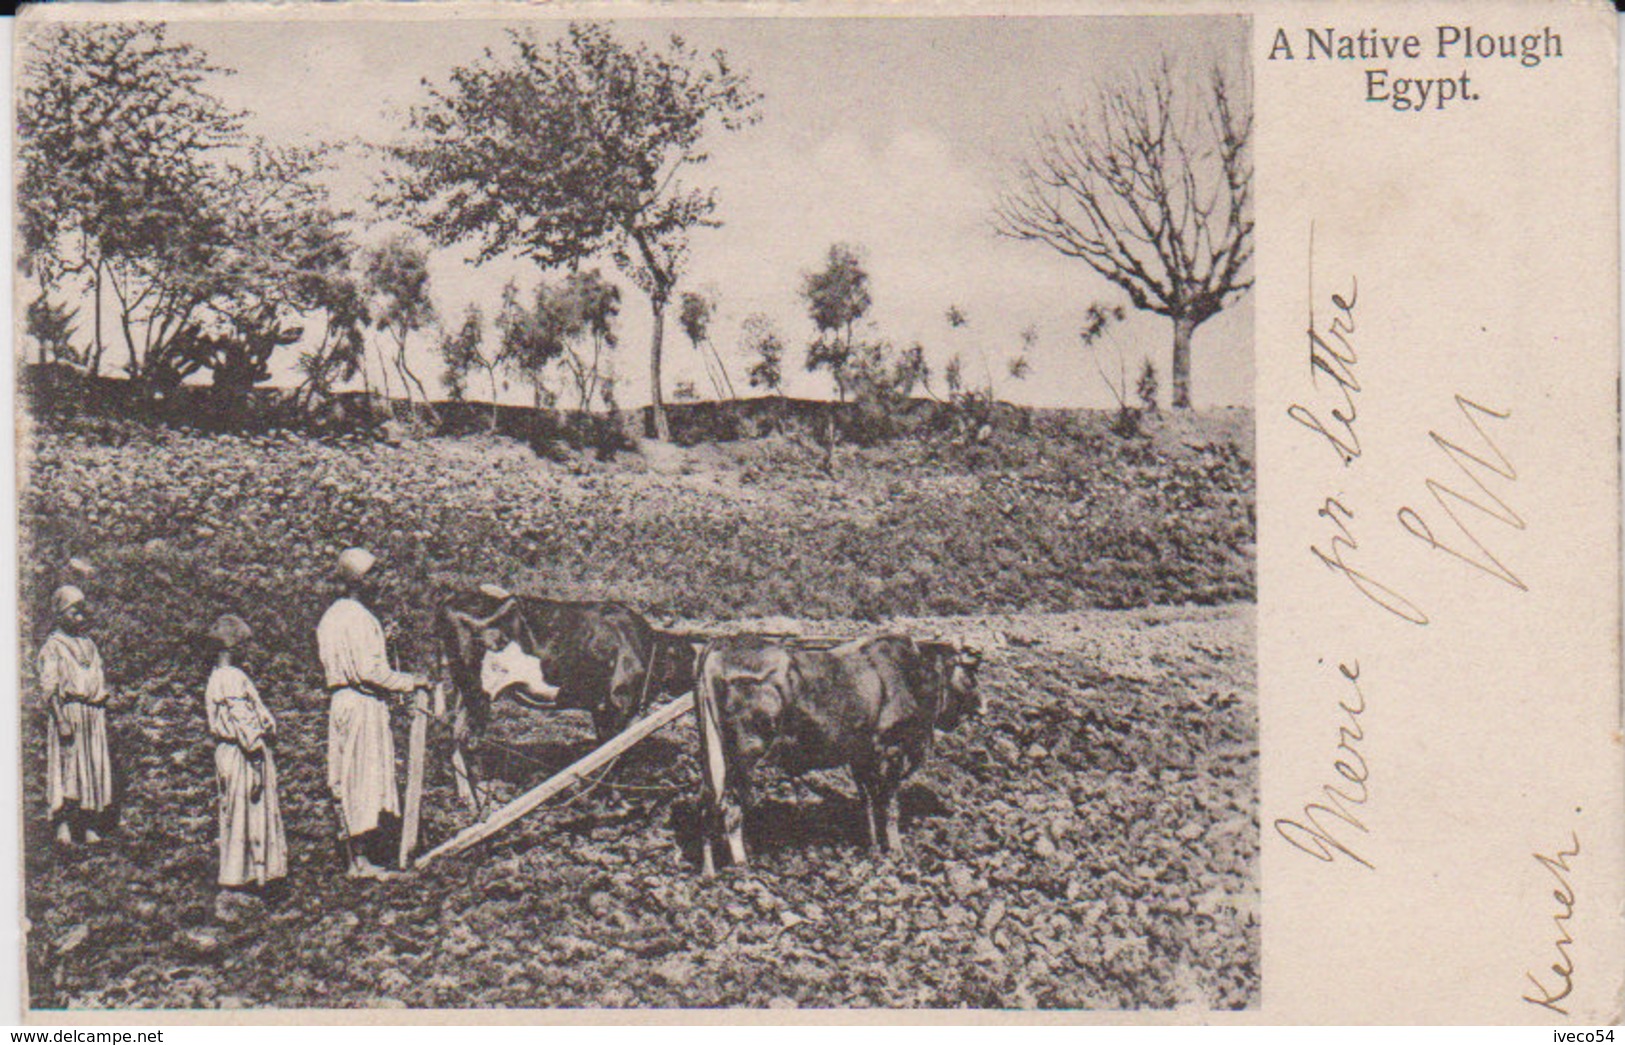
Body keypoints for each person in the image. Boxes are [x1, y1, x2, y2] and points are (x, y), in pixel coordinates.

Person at [316, 548, 427, 879]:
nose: (379, 582)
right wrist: (410, 681)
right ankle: (362, 861)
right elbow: (370, 672)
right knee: (363, 778)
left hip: (341, 702)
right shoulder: (360, 618)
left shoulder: (331, 617)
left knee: (346, 776)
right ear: (359, 581)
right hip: (363, 704)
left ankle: (356, 856)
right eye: (373, 576)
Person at [203, 613, 287, 904]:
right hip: (242, 753)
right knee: (246, 811)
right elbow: (243, 720)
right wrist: (255, 759)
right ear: (231, 647)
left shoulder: (219, 676)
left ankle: (246, 875)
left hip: (232, 751)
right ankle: (244, 878)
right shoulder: (231, 678)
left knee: (239, 813)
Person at [38, 586, 114, 845]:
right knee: (68, 767)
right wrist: (60, 719)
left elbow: (97, 678)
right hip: (69, 711)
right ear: (60, 615)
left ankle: (89, 823)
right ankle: (63, 824)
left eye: (81, 613)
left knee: (91, 767)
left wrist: (100, 704)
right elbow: (49, 687)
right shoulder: (53, 646)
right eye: (73, 612)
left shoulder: (88, 644)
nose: (79, 618)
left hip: (92, 712)